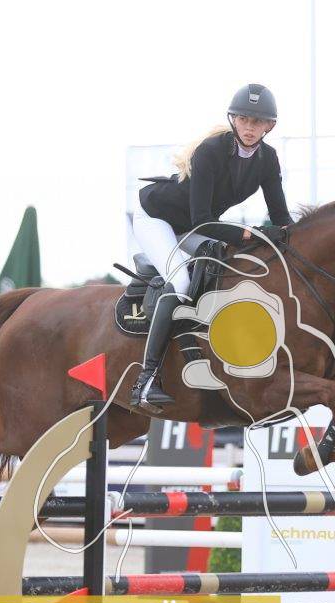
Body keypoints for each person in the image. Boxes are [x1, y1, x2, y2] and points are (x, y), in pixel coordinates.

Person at [128, 82, 293, 412]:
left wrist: (297, 236)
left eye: (257, 122)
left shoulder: (267, 159)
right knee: (181, 281)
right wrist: (251, 234)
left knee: (226, 266)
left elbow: (281, 217)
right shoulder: (211, 150)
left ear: (269, 126)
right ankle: (146, 379)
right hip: (157, 218)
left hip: (190, 226)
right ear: (234, 120)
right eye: (243, 119)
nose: (249, 127)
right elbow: (203, 220)